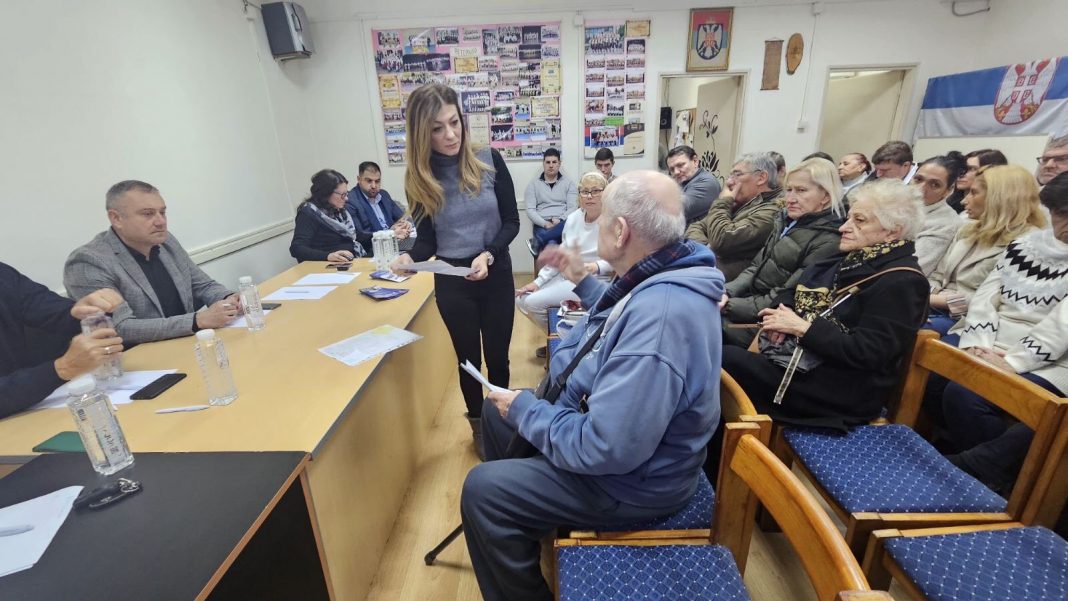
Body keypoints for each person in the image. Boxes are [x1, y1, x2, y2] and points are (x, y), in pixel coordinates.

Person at [461, 171, 723, 601]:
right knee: (495, 410)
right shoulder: (664, 272)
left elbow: (606, 448)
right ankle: (527, 519)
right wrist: (582, 280)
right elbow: (621, 316)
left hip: (632, 484)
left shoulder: (661, 320)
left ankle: (517, 531)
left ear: (620, 232)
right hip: (626, 454)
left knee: (484, 491)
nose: (595, 225)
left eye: (602, 220)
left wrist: (527, 411)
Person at [722, 179, 929, 428]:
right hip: (801, 360)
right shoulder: (851, 256)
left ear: (893, 231)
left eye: (859, 221)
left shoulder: (903, 281)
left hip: (839, 389)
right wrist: (781, 314)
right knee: (718, 352)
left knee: (724, 361)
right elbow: (792, 289)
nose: (844, 227)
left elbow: (869, 353)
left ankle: (722, 447)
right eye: (849, 218)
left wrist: (802, 328)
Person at [389, 83, 519, 457]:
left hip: (494, 269)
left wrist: (489, 254)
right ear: (421, 134)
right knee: (467, 360)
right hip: (452, 281)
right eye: (437, 128)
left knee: (498, 358)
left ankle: (503, 421)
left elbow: (511, 221)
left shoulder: (489, 159)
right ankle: (479, 427)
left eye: (454, 122)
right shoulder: (419, 178)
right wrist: (409, 258)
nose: (450, 135)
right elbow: (428, 240)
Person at [928, 172, 1066, 495]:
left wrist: (1014, 362)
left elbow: (1061, 326)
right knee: (938, 370)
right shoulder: (1026, 245)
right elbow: (986, 297)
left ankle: (995, 478)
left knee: (966, 392)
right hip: (993, 338)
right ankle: (959, 452)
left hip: (1051, 359)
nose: (1065, 224)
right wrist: (978, 343)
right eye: (1061, 213)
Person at [65, 180, 240, 345]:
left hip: (185, 343)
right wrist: (197, 320)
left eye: (162, 212)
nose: (161, 222)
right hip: (137, 357)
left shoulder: (165, 242)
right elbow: (120, 327)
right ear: (116, 218)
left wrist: (230, 299)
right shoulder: (89, 261)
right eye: (148, 214)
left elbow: (203, 285)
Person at [719, 158, 844, 347]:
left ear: (825, 196)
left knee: (695, 321)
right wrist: (726, 292)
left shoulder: (829, 240)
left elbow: (784, 296)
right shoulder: (786, 220)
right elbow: (755, 267)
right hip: (747, 305)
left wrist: (728, 306)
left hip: (768, 323)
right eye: (789, 190)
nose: (790, 198)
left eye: (801, 190)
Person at [925, 165, 1046, 335]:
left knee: (903, 326)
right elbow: (937, 276)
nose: (964, 201)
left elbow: (999, 302)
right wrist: (922, 301)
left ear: (1000, 198)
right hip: (934, 306)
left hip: (971, 321)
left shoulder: (1029, 244)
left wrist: (933, 300)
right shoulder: (967, 229)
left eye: (974, 193)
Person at [1, 264, 125, 419]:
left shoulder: (4, 275)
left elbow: (49, 309)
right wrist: (63, 368)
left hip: (31, 408)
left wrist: (86, 311)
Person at [515, 172, 612, 338]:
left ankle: (570, 340)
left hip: (594, 281)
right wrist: (537, 282)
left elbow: (620, 258)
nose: (589, 196)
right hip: (567, 277)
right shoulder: (574, 218)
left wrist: (596, 266)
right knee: (522, 299)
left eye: (595, 191)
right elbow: (562, 254)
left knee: (532, 302)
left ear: (606, 193)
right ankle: (565, 337)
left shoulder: (612, 220)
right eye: (584, 191)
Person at [686, 152, 783, 281]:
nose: (729, 182)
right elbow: (696, 227)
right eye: (730, 175)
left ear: (761, 178)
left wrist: (723, 202)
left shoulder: (773, 210)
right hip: (707, 267)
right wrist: (706, 249)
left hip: (726, 282)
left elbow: (723, 239)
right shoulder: (741, 202)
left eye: (737, 175)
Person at [289, 169, 368, 263]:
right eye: (343, 195)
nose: (346, 198)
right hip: (326, 266)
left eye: (346, 193)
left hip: (350, 260)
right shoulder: (308, 213)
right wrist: (328, 256)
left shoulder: (338, 210)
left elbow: (355, 236)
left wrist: (380, 234)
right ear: (326, 193)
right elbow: (297, 248)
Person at [911, 155, 966, 275]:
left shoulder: (945, 224)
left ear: (949, 190)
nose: (921, 189)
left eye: (935, 185)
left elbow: (912, 269)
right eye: (918, 179)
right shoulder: (895, 202)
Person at [345, 161, 414, 252]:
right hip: (373, 249)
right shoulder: (351, 201)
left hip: (395, 243)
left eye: (377, 181)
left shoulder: (383, 195)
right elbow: (360, 236)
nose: (374, 186)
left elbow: (401, 217)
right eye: (369, 181)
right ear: (359, 179)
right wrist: (390, 233)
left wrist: (405, 223)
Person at [525, 148, 577, 255]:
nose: (551, 165)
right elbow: (530, 210)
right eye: (548, 162)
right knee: (552, 242)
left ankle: (538, 242)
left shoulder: (569, 184)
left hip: (562, 223)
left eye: (554, 162)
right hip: (542, 224)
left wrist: (560, 219)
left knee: (563, 228)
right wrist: (545, 224)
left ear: (559, 164)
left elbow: (573, 207)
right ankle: (543, 240)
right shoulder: (533, 185)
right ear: (543, 164)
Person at [665, 145, 722, 224]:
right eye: (672, 169)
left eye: (680, 165)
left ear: (695, 161)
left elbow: (675, 211)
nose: (676, 172)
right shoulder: (684, 182)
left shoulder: (707, 182)